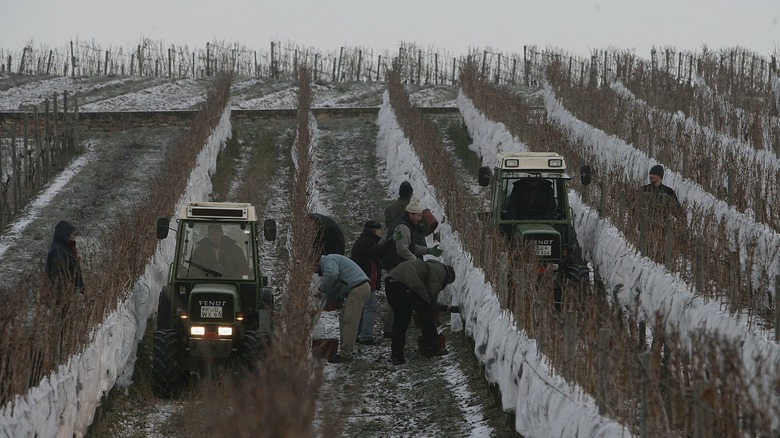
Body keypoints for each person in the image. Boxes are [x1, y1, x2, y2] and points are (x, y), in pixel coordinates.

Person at [380, 196, 443, 338]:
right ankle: (390, 329)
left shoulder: (407, 225)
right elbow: (402, 249)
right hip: (395, 265)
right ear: (411, 214)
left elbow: (411, 247)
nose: (420, 218)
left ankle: (393, 327)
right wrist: (416, 261)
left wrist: (428, 251)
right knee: (397, 298)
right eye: (419, 215)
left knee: (399, 298)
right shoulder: (403, 227)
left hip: (398, 264)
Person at [385, 259, 456, 365]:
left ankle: (396, 356)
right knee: (427, 315)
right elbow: (430, 298)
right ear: (449, 276)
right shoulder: (441, 272)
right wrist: (442, 308)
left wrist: (443, 308)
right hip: (407, 283)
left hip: (391, 283)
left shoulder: (429, 265)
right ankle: (431, 348)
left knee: (400, 321)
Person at [315, 253, 371, 363]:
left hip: (358, 288)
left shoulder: (328, 260)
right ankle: (344, 351)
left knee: (349, 320)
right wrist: (321, 307)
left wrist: (321, 289)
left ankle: (346, 354)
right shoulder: (333, 261)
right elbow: (333, 290)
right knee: (343, 318)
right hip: (357, 288)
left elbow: (332, 275)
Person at [350, 220, 393, 345]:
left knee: (362, 308)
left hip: (359, 279)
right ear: (373, 231)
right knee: (370, 308)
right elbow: (378, 253)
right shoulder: (369, 243)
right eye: (379, 230)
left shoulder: (362, 242)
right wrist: (390, 242)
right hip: (367, 280)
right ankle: (367, 336)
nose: (381, 232)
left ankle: (356, 334)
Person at [45, 220, 85, 302]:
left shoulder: (65, 248)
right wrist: (74, 294)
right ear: (64, 235)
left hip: (69, 297)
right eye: (70, 234)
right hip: (64, 299)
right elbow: (59, 278)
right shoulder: (59, 251)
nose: (72, 237)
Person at [384, 181, 428, 247]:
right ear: (411, 193)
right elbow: (424, 227)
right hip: (414, 245)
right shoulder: (415, 209)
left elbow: (388, 225)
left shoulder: (389, 209)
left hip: (395, 244)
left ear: (400, 193)